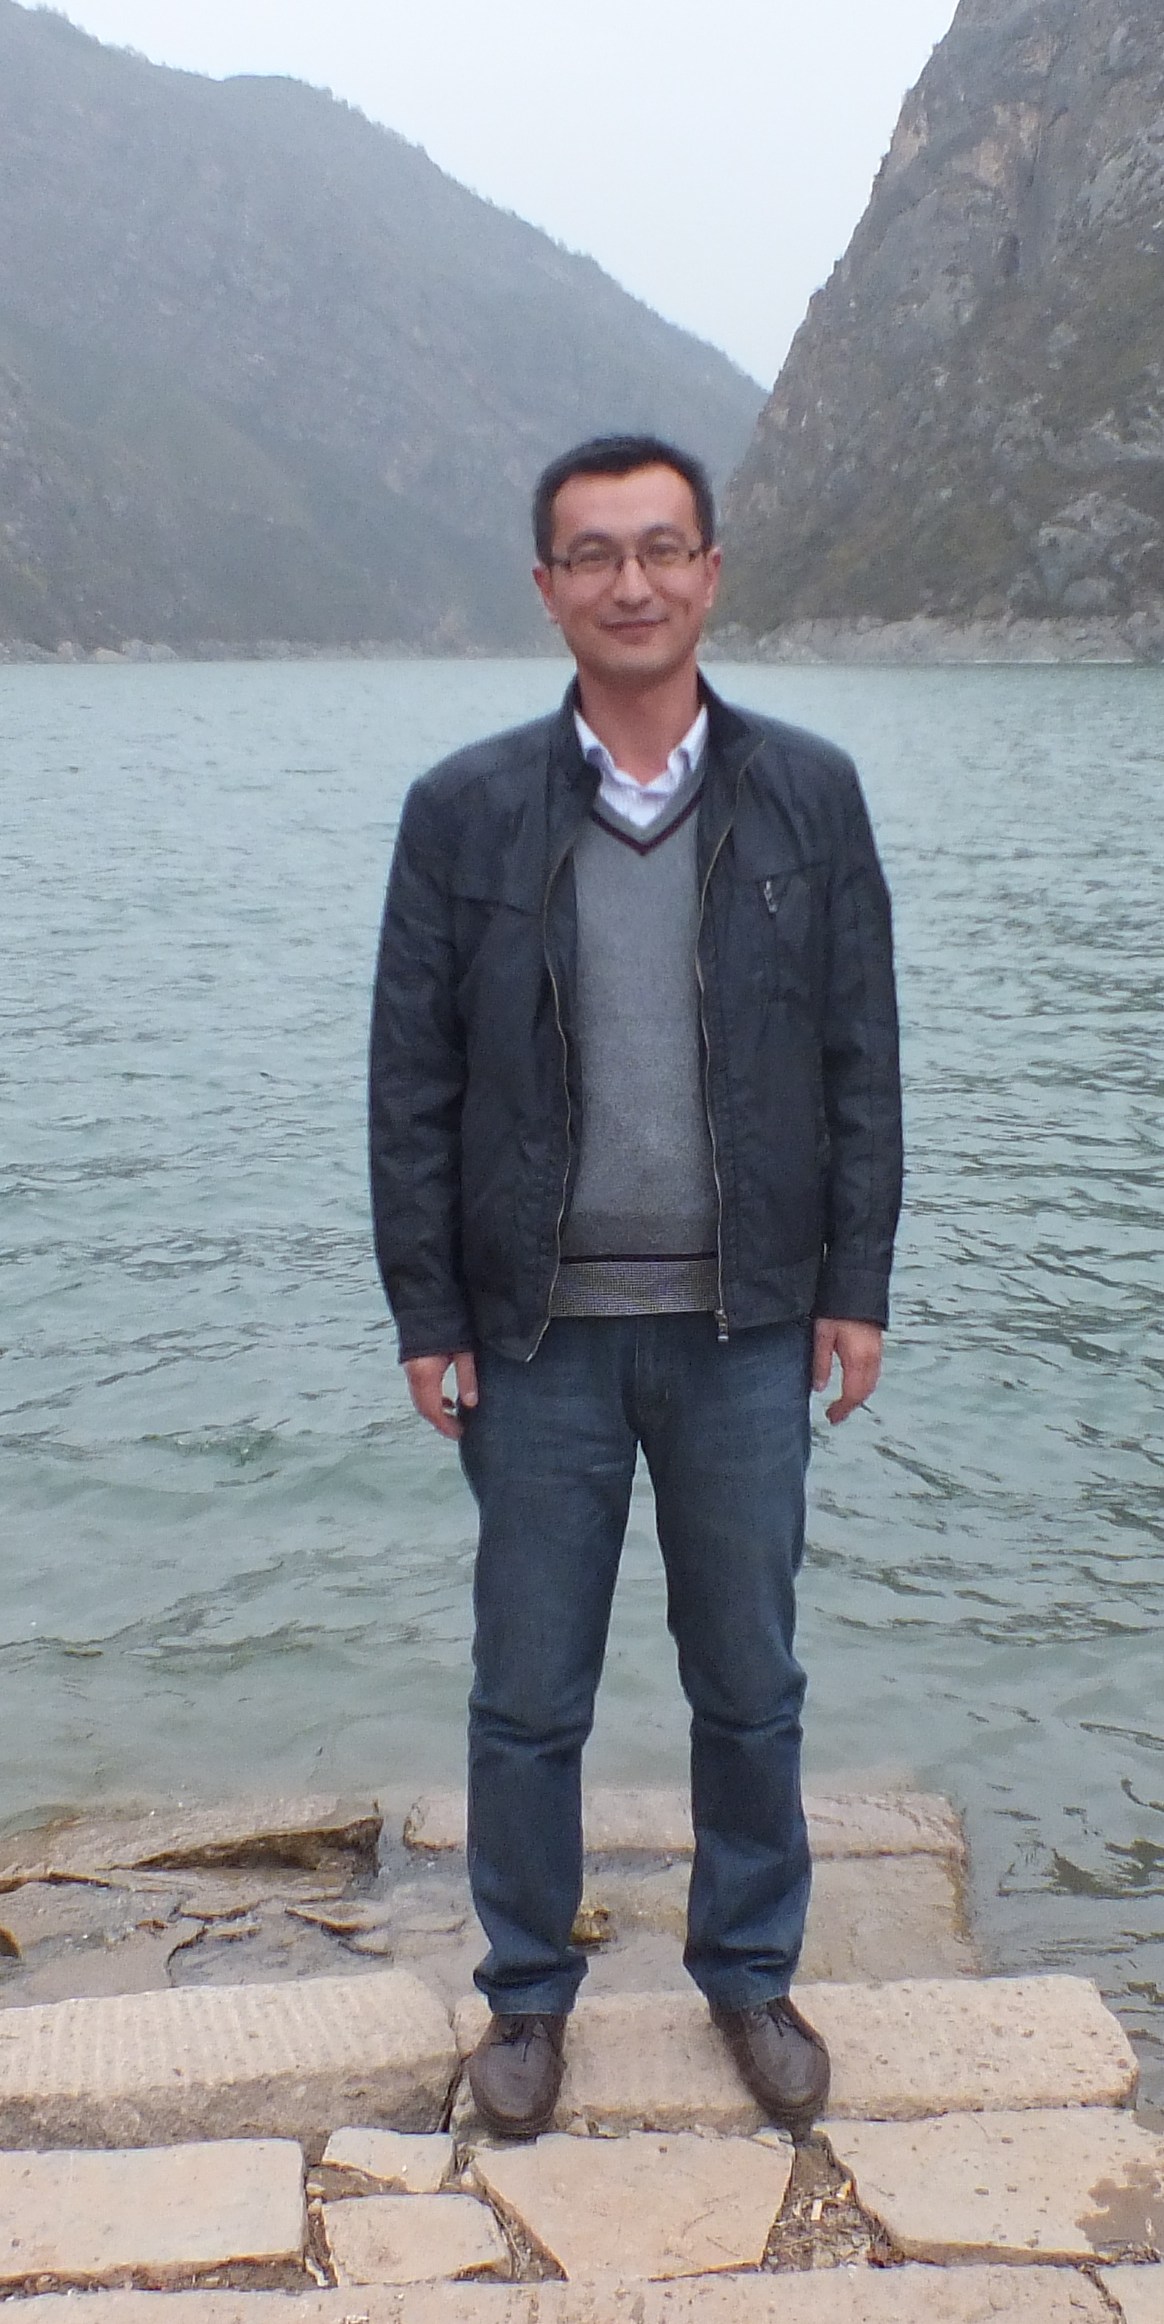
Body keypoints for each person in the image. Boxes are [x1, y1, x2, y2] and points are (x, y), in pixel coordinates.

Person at [366, 434, 902, 2135]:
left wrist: (857, 1284)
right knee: (529, 1695)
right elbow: (413, 1084)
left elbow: (861, 1059)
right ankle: (526, 1994)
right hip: (537, 1339)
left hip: (746, 1326)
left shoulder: (809, 795)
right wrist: (428, 1312)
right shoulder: (463, 812)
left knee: (749, 1678)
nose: (632, 583)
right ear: (546, 589)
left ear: (711, 573)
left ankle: (748, 1970)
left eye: (663, 548)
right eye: (594, 554)